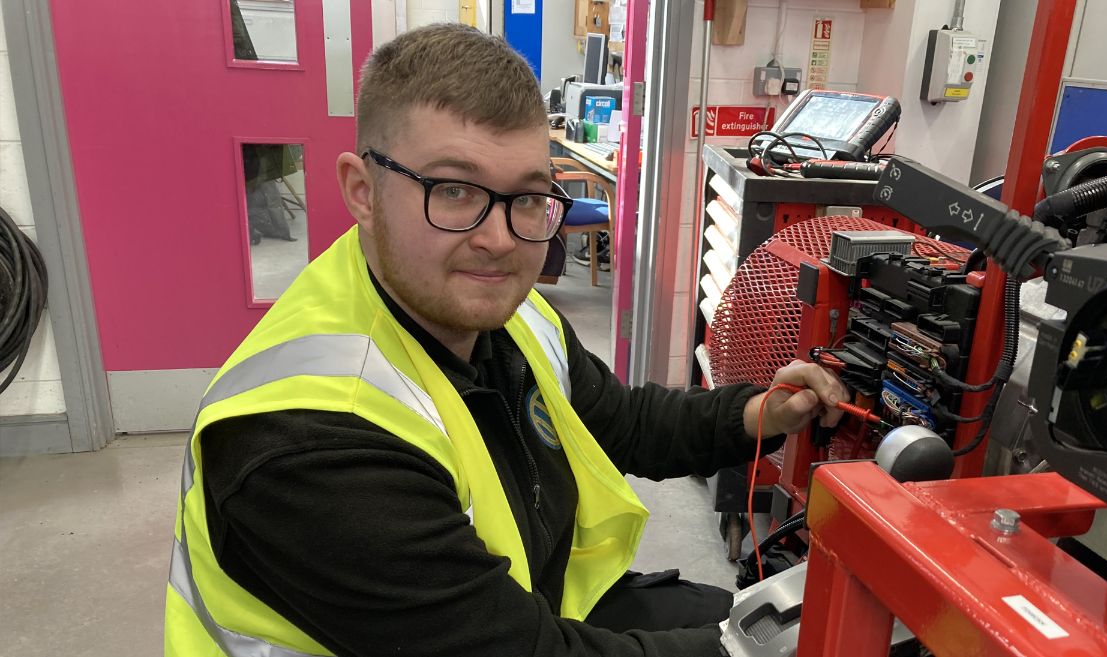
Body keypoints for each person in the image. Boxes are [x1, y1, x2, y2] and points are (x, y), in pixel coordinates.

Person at [164, 23, 849, 657]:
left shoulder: (503, 315)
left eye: (526, 197)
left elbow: (622, 422)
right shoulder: (310, 441)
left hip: (510, 610)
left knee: (758, 615)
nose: (498, 240)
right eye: (455, 190)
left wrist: (761, 414)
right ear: (362, 190)